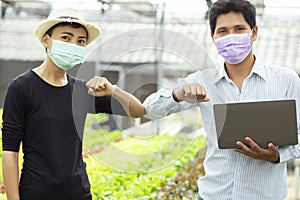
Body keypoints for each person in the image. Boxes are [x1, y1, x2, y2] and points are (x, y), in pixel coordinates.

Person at [143, 0, 300, 199]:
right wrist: (178, 94)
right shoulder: (201, 81)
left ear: (254, 33)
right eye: (223, 31)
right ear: (213, 37)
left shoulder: (286, 80)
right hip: (212, 195)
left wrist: (278, 155)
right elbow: (149, 109)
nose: (231, 37)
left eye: (239, 29)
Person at [1, 8, 145, 200]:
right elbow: (10, 152)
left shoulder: (82, 90)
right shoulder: (21, 87)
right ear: (46, 40)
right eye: (66, 38)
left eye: (80, 41)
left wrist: (113, 90)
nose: (73, 45)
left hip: (79, 193)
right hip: (35, 193)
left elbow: (138, 111)